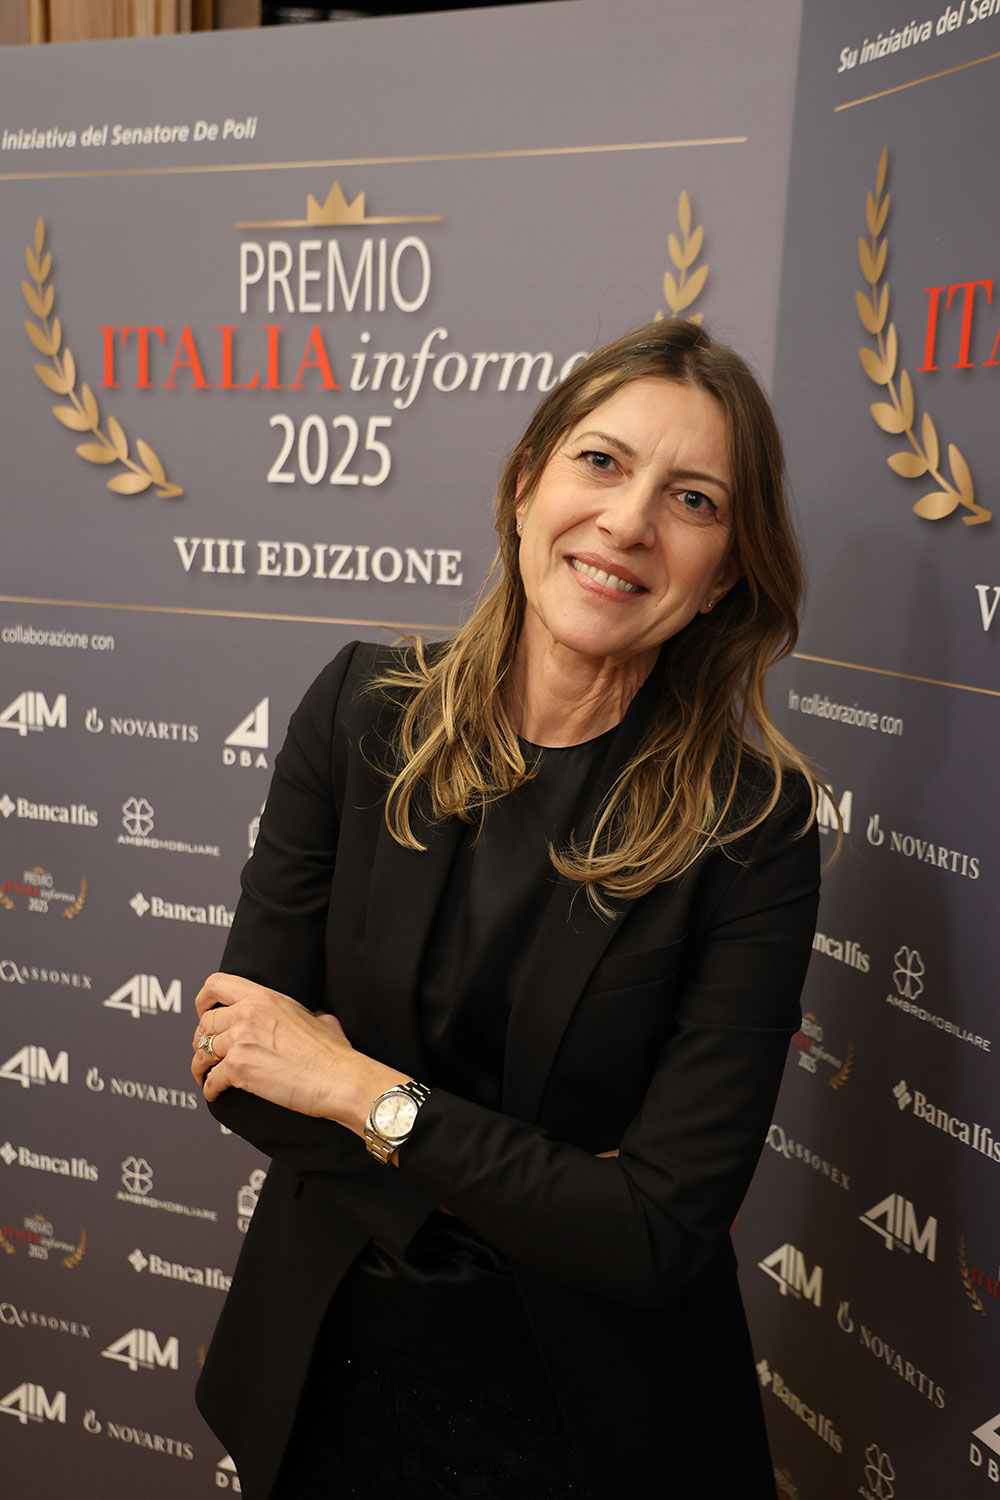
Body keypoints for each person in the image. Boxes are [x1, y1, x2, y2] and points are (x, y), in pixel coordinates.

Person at [191, 319, 821, 1500]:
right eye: (601, 462)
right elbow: (244, 1062)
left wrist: (354, 1086)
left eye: (691, 500)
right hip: (326, 1373)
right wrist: (550, 1192)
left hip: (594, 1421)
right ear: (526, 483)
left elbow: (652, 1233)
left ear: (727, 572)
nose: (627, 522)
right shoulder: (362, 712)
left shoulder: (753, 826)